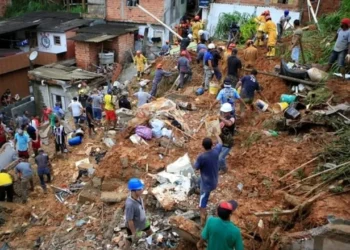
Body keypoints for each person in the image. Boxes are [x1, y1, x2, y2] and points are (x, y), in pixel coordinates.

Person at [194, 129, 223, 226]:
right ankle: (199, 191)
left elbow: (196, 167)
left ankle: (203, 221)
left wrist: (197, 159)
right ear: (212, 145)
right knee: (198, 180)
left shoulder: (201, 157)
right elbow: (220, 143)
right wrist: (216, 134)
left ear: (203, 146)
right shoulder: (216, 151)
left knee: (202, 204)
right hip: (214, 181)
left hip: (206, 185)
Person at [125, 178, 152, 249]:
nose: (142, 190)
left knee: (149, 231)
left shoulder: (138, 196)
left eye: (141, 188)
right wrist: (134, 233)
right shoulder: (130, 205)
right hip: (135, 226)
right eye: (139, 189)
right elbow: (129, 220)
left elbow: (141, 206)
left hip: (143, 221)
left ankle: (151, 244)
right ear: (133, 191)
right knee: (130, 240)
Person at [217, 103, 236, 174]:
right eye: (223, 112)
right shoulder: (222, 117)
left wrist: (221, 118)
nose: (224, 113)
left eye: (225, 112)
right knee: (218, 155)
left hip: (228, 142)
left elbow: (229, 124)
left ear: (228, 112)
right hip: (221, 140)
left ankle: (224, 169)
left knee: (220, 157)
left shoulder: (232, 118)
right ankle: (219, 167)